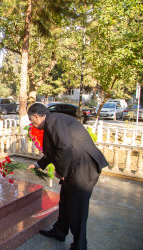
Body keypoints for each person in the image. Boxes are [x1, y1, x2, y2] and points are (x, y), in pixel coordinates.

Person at [27, 103, 108, 250]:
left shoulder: (53, 122)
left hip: (83, 170)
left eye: (31, 120)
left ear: (36, 116)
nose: (31, 123)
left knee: (77, 210)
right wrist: (39, 165)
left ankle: (79, 246)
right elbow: (54, 150)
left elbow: (64, 148)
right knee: (65, 201)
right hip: (76, 167)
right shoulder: (53, 120)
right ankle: (60, 231)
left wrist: (61, 172)